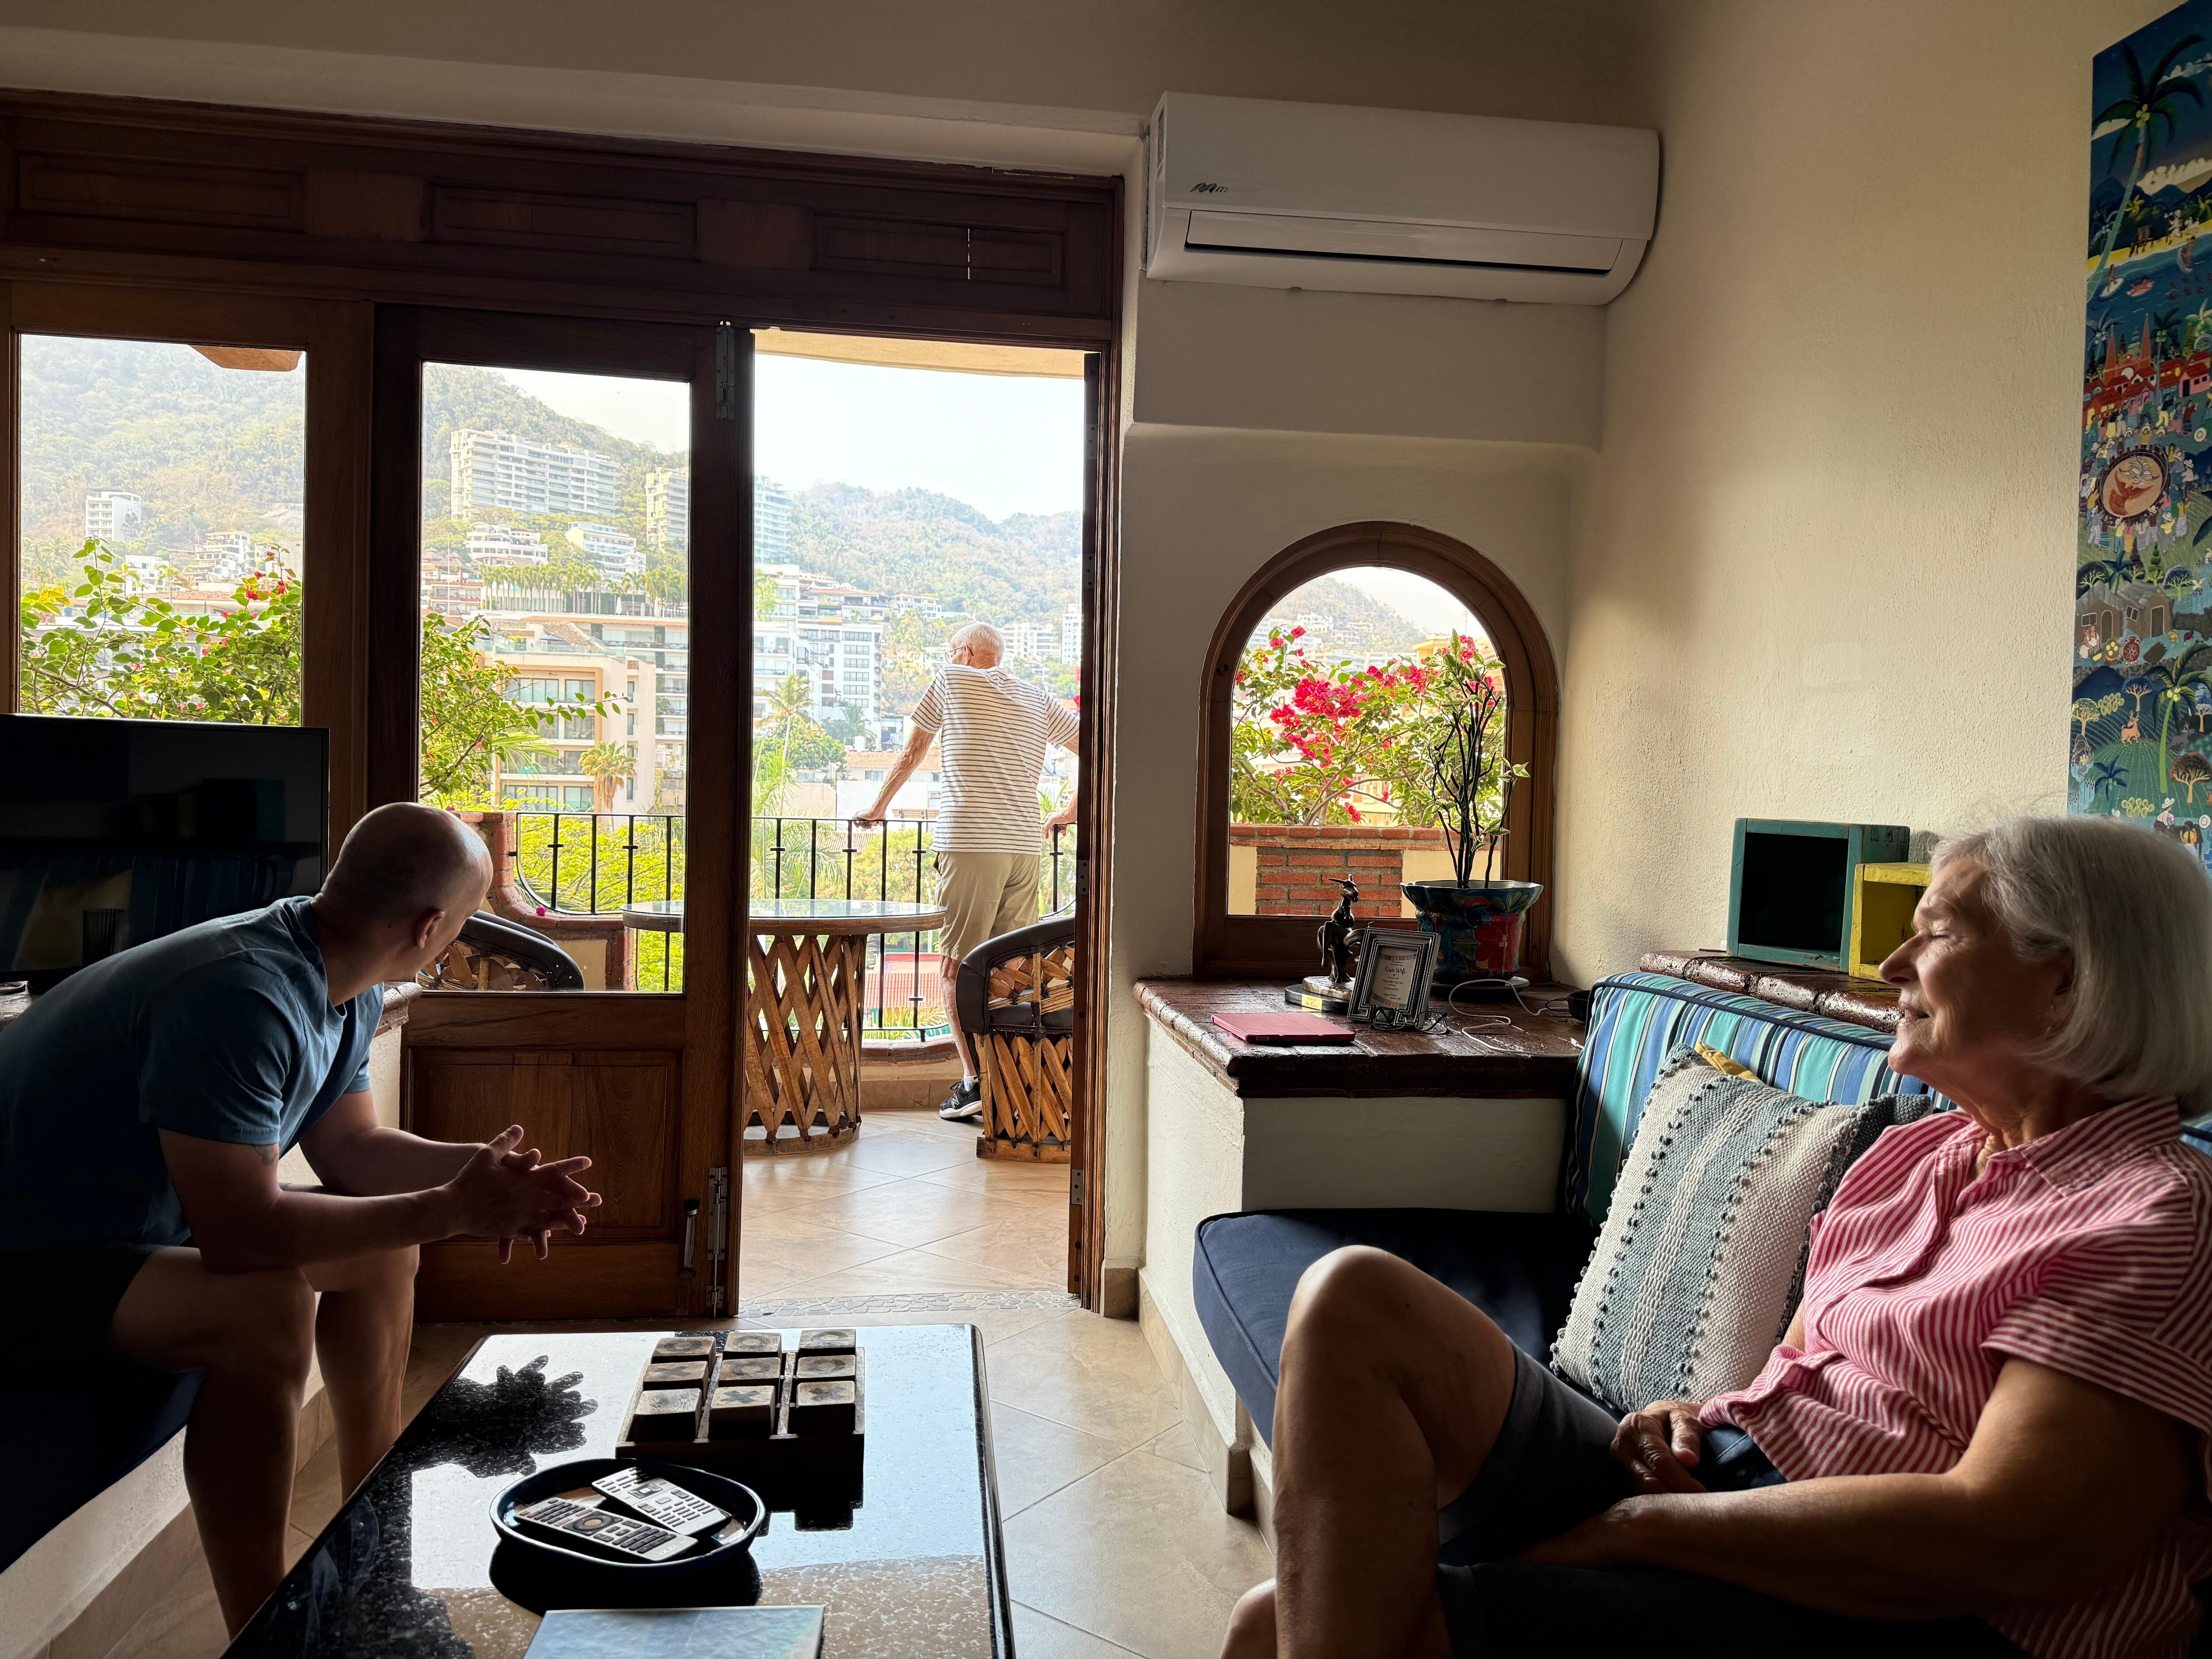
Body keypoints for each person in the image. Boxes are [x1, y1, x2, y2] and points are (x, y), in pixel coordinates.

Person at [1223, 814, 2212, 1659]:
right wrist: (1687, 1413)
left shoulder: (2150, 1216)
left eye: (1938, 934)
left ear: (2064, 984)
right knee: (1354, 1303)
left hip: (1906, 1605)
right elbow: (1799, 1373)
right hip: (1737, 1489)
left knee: (1287, 1628)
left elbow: (2010, 1539)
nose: (1891, 967)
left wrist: (1646, 1531)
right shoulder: (1921, 1155)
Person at [0, 803, 603, 1636]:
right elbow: (241, 1238)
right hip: (26, 1261)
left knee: (384, 1247)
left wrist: (484, 1174)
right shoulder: (240, 995)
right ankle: (273, 1630)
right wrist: (453, 1209)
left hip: (113, 1243)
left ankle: (375, 1527)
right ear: (431, 927)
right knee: (265, 1306)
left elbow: (353, 1149)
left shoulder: (338, 972)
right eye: (464, 925)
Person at [854, 622, 1079, 1121]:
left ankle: (975, 1082)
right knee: (1012, 969)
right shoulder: (1037, 697)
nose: (952, 656)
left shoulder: (952, 678)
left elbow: (913, 752)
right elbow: (1097, 746)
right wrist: (1071, 811)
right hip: (1024, 846)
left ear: (967, 653)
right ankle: (1013, 1086)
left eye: (954, 650)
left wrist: (877, 807)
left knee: (955, 967)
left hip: (971, 842)